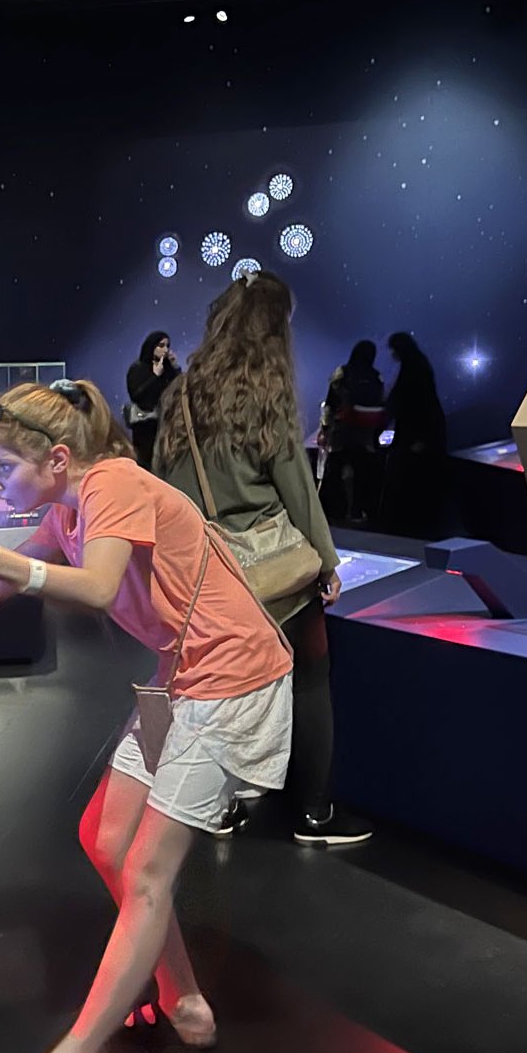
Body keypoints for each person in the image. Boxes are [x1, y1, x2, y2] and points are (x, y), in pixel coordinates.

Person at [0, 379, 293, 1053]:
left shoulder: (114, 484)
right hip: (182, 680)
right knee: (105, 839)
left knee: (144, 871)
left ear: (60, 460)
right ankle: (184, 1000)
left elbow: (99, 589)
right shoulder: (68, 509)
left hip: (233, 679)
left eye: (4, 467)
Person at [155, 270, 372, 848]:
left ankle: (215, 807)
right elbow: (298, 490)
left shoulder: (179, 392)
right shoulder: (267, 395)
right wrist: (326, 562)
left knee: (207, 686)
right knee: (312, 676)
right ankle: (316, 814)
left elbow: (162, 483)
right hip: (270, 575)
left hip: (199, 570)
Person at [380, 331, 448, 535]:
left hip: (418, 433)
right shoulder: (417, 363)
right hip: (422, 432)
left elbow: (408, 400)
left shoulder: (413, 367)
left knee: (410, 479)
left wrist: (420, 438)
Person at [317, 340, 386, 524]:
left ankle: (331, 511)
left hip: (343, 430)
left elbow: (331, 402)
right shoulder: (376, 376)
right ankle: (359, 511)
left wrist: (324, 428)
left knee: (335, 470)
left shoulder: (343, 372)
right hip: (366, 433)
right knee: (363, 473)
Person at [124, 331, 180, 468]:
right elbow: (137, 395)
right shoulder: (137, 368)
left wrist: (174, 367)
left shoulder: (167, 369)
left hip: (164, 423)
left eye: (167, 346)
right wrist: (155, 376)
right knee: (146, 463)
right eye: (161, 345)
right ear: (152, 346)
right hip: (145, 427)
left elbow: (178, 390)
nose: (165, 350)